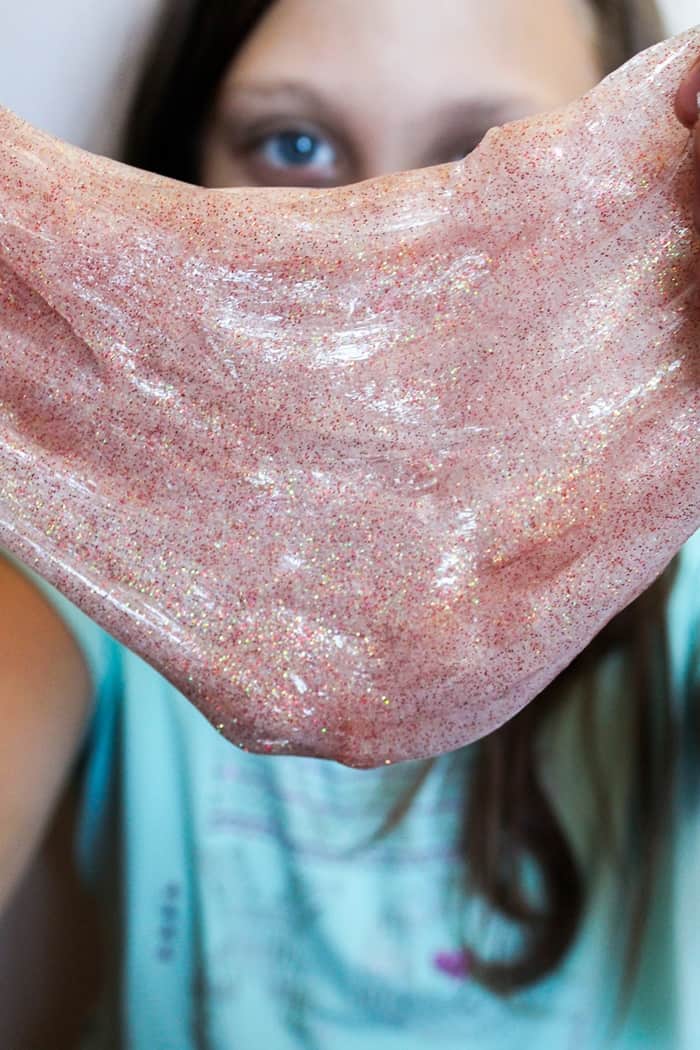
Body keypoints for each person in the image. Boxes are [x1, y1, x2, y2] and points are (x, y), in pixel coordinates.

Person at [0, 1, 699, 1047]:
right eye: (296, 146)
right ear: (169, 175)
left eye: (481, 164)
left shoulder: (676, 594)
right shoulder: (90, 576)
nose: (380, 227)